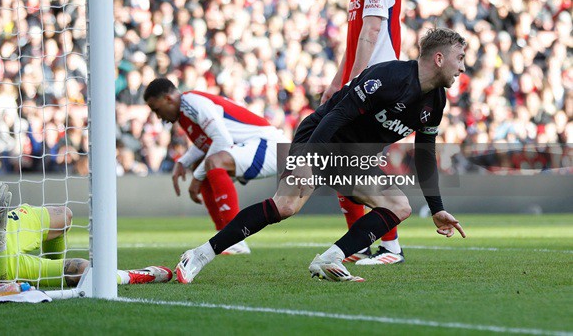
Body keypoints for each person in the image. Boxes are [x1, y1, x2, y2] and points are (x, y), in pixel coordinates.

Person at [175, 28, 468, 284]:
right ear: (439, 58)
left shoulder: (436, 102)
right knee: (285, 206)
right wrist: (305, 159)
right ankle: (198, 256)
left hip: (353, 157)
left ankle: (330, 259)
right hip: (321, 137)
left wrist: (436, 208)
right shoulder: (389, 76)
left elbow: (425, 155)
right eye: (460, 58)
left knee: (398, 206)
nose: (463, 68)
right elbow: (337, 114)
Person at [0, 144, 172, 288]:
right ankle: (135, 276)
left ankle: (51, 270)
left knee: (65, 216)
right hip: (1, 258)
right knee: (83, 272)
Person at [321, 0, 405, 265]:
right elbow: (356, 38)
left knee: (352, 161)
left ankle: (389, 247)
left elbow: (372, 31)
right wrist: (336, 81)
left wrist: (353, 84)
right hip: (367, 81)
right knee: (345, 161)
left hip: (377, 83)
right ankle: (369, 245)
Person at [144, 78, 289, 255]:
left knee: (212, 162)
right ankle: (224, 236)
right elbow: (207, 142)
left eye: (157, 110)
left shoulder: (191, 103)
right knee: (206, 166)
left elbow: (222, 140)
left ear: (168, 99)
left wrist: (196, 177)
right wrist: (183, 162)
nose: (159, 116)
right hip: (256, 145)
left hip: (269, 145)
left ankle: (235, 240)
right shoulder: (183, 112)